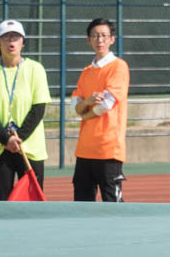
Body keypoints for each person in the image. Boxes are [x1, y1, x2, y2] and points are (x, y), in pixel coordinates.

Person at [0, 19, 51, 200]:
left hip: (30, 149)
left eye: (16, 37)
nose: (11, 41)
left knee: (32, 204)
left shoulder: (36, 69)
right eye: (6, 37)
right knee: (1, 204)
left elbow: (39, 108)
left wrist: (19, 137)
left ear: (23, 43)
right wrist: (7, 139)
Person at [71, 18, 129, 202]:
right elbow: (74, 107)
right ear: (88, 40)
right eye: (95, 36)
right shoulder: (86, 72)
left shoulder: (119, 67)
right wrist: (87, 101)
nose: (100, 40)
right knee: (82, 204)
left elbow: (106, 104)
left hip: (108, 149)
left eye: (104, 36)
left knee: (113, 205)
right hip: (84, 150)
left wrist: (85, 113)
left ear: (112, 39)